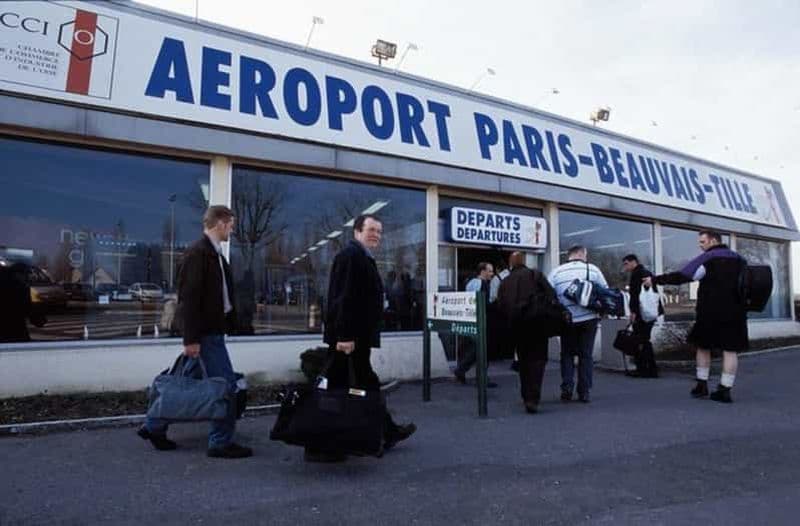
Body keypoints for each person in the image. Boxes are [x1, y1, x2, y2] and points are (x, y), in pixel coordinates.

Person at [138, 205, 252, 459]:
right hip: (205, 335)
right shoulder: (197, 254)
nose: (232, 230)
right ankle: (220, 442)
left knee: (182, 383)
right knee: (225, 387)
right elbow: (188, 300)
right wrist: (190, 339)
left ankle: (153, 426)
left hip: (211, 332)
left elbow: (220, 296)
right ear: (220, 223)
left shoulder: (215, 254)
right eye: (231, 225)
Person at [312, 214, 416, 463]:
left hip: (355, 339)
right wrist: (344, 336)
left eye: (379, 231)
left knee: (358, 386)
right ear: (357, 231)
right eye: (371, 230)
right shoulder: (351, 256)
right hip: (349, 340)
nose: (376, 235)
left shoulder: (361, 257)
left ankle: (382, 433)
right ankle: (320, 444)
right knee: (351, 387)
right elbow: (342, 298)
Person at [644, 231, 747, 403]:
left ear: (713, 241)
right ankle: (725, 390)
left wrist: (655, 280)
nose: (700, 245)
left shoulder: (708, 258)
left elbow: (684, 276)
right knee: (730, 350)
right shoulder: (740, 260)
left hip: (710, 311)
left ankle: (701, 385)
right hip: (736, 312)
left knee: (703, 346)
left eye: (702, 242)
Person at [548, 245, 608, 403]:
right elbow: (605, 291)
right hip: (589, 319)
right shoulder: (593, 269)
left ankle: (567, 388)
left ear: (569, 255)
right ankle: (584, 391)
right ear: (581, 254)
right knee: (586, 355)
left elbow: (548, 295)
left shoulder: (556, 272)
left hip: (567, 320)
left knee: (567, 354)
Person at [496, 252, 552, 413]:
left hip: (517, 327)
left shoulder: (505, 282)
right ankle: (533, 398)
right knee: (538, 361)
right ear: (524, 261)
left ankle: (526, 394)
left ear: (511, 264)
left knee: (523, 361)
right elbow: (551, 295)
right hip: (538, 325)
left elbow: (501, 306)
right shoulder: (536, 275)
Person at [454, 262, 497, 388]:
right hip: (481, 320)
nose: (492, 274)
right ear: (482, 271)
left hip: (470, 319)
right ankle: (481, 378)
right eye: (490, 271)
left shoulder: (469, 282)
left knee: (475, 349)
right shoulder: (483, 284)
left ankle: (461, 370)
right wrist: (495, 304)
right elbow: (483, 304)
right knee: (483, 350)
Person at [622, 254, 662, 378]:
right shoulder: (644, 272)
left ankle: (645, 369)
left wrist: (633, 312)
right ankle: (649, 368)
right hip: (649, 311)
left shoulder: (638, 274)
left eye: (626, 264)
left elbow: (636, 295)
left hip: (642, 313)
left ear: (633, 262)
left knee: (641, 340)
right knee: (643, 339)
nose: (625, 267)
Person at [0, 261, 46, 343]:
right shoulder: (20, 288)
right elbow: (30, 311)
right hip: (16, 333)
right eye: (26, 275)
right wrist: (40, 318)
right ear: (19, 274)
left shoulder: (8, 284)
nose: (27, 278)